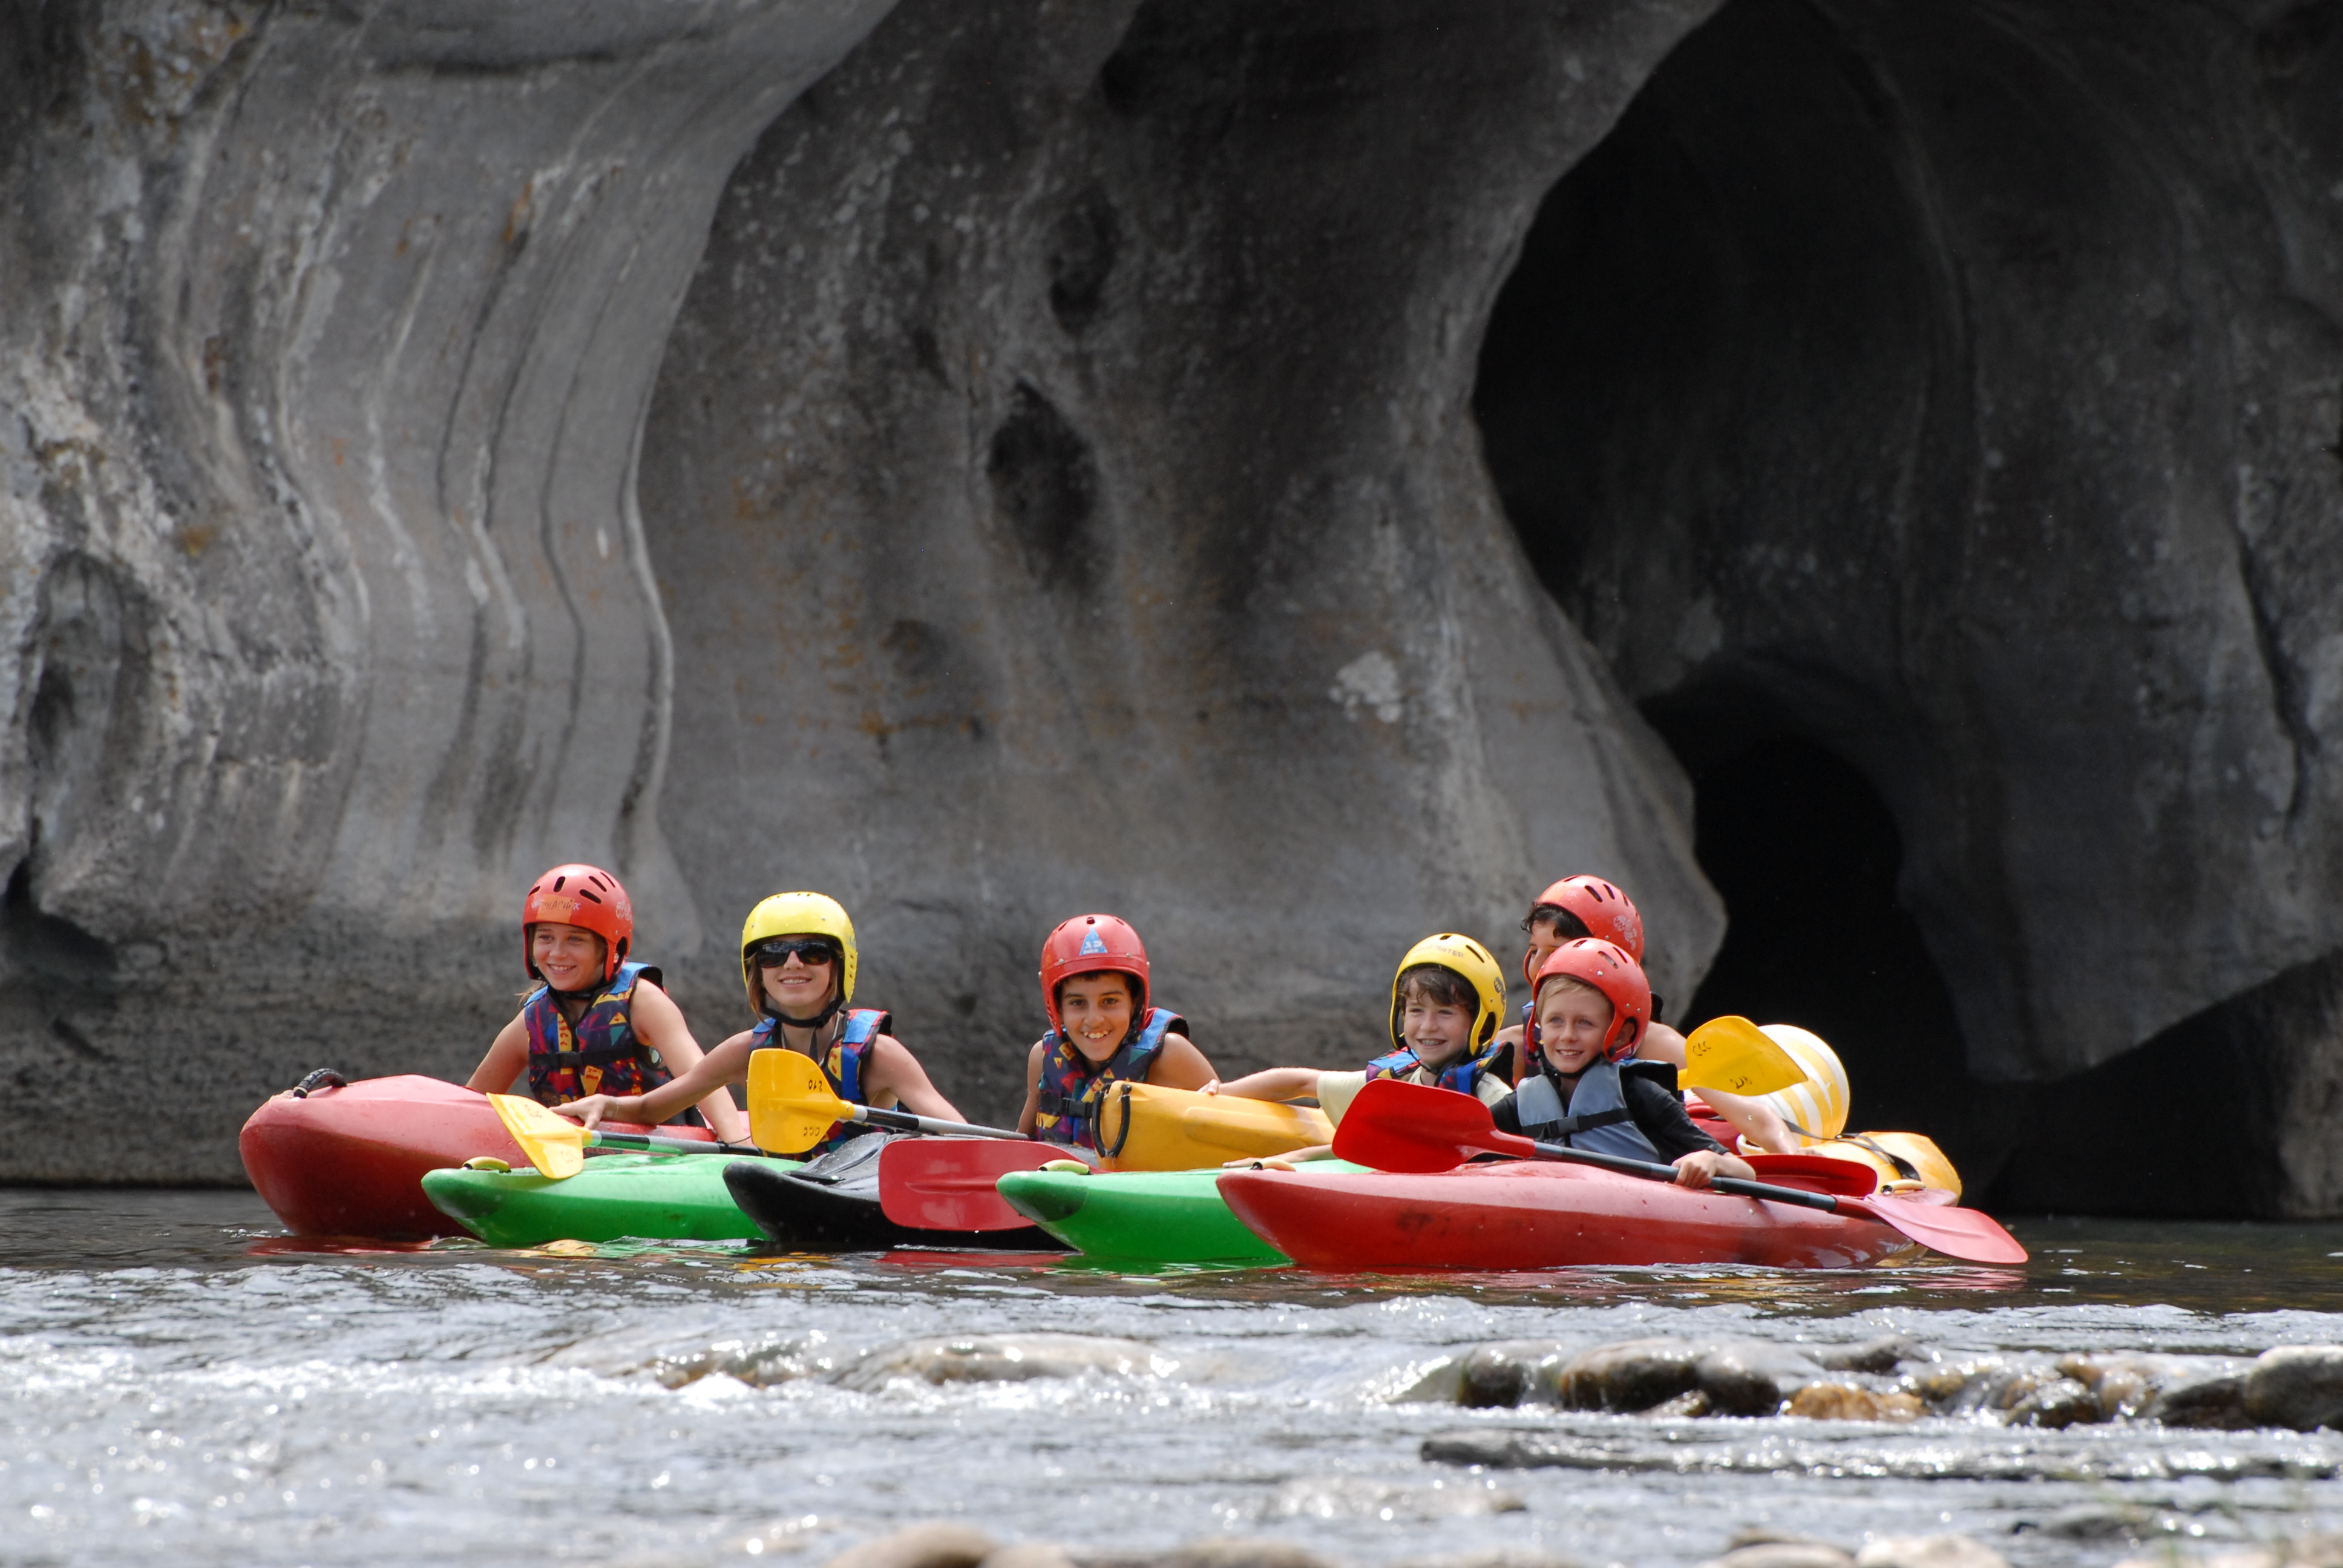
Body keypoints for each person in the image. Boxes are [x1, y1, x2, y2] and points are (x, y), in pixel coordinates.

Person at [551, 891, 962, 1155]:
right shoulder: (746, 1051)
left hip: (863, 1199)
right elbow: (652, 1108)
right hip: (785, 1198)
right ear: (757, 972)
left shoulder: (878, 1056)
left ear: (841, 965)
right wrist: (608, 1104)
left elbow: (960, 1133)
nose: (793, 964)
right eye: (774, 955)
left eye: (813, 952)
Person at [1491, 874, 1796, 1154]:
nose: (1540, 966)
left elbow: (1752, 1115)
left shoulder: (1654, 1043)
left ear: (1611, 958)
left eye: (1556, 950)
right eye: (1535, 949)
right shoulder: (1516, 1045)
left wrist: (1790, 1154)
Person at [465, 864, 749, 1140]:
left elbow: (704, 1081)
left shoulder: (643, 1002)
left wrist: (738, 1144)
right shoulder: (532, 1021)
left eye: (576, 940)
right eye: (546, 938)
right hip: (570, 1158)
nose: (557, 953)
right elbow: (470, 1104)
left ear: (609, 948)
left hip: (660, 1154)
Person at [1203, 933, 1514, 1161]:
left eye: (1445, 1013)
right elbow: (1300, 1082)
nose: (1428, 1026)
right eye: (1416, 1011)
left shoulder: (1493, 1097)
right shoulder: (1392, 1081)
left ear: (1482, 1024)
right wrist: (1223, 1091)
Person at [1494, 938, 1757, 1189]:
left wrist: (1710, 1160)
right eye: (1555, 1021)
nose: (1568, 1036)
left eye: (1585, 1022)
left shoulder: (1638, 1094)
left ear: (1620, 1033)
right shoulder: (1521, 1105)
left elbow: (1746, 1173)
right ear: (1539, 1025)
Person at [1015, 915, 1218, 1152]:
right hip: (1060, 1185)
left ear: (1135, 1002)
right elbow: (1021, 1145)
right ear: (1057, 1007)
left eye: (1110, 1001)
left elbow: (1236, 1128)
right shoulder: (1042, 1057)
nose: (1094, 1019)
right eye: (1078, 1003)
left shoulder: (1171, 1056)